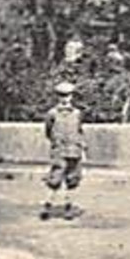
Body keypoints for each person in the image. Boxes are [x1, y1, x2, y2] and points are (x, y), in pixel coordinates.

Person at [41, 80, 86, 220]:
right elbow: (48, 131)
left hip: (74, 150)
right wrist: (56, 144)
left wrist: (81, 147)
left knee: (72, 180)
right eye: (61, 95)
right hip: (59, 150)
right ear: (57, 96)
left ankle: (68, 208)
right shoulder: (52, 113)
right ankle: (47, 206)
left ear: (72, 96)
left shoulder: (77, 113)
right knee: (55, 179)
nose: (64, 98)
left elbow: (79, 131)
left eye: (67, 95)